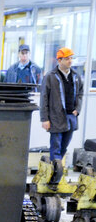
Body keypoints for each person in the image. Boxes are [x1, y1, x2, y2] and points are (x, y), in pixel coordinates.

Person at [40, 47, 83, 183]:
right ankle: (54, 177)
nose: (70, 61)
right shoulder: (50, 76)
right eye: (67, 58)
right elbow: (44, 98)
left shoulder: (75, 76)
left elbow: (80, 94)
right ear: (59, 60)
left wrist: (78, 109)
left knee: (64, 146)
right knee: (56, 146)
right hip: (56, 118)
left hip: (71, 117)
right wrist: (44, 119)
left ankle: (55, 172)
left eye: (71, 58)